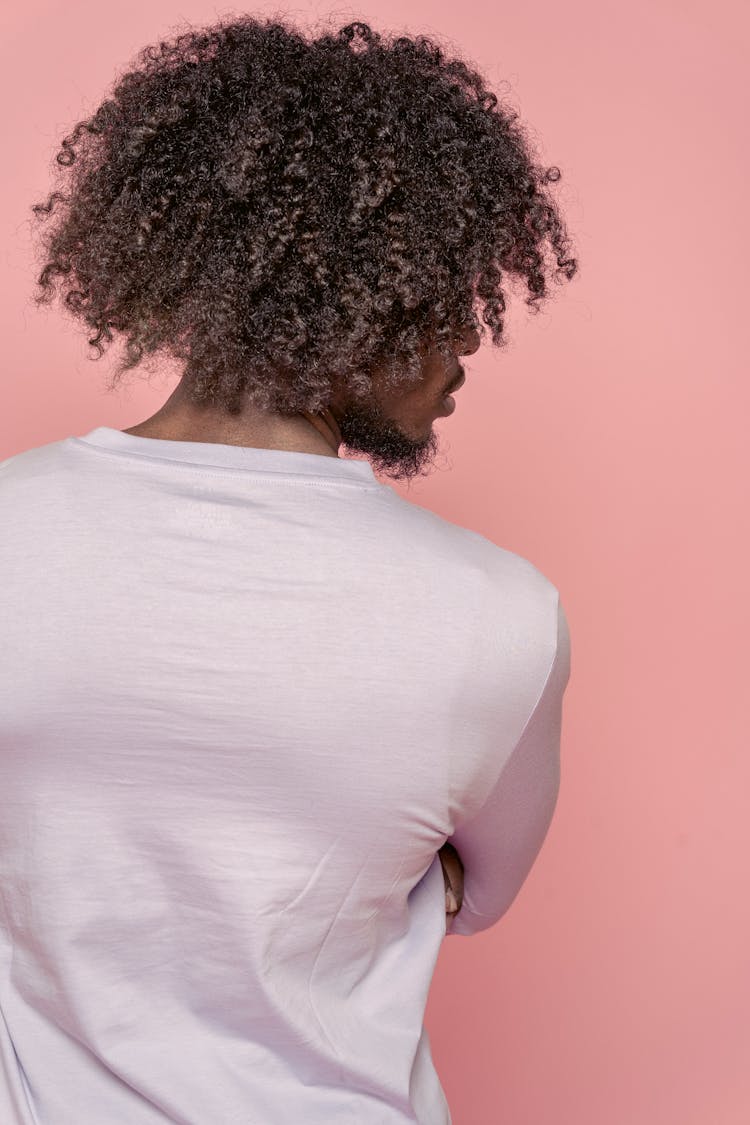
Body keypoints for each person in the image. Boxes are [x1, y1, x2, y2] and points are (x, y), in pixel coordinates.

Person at [2, 16, 577, 1125]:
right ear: (351, 299)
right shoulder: (503, 617)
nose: (466, 348)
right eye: (441, 297)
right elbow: (477, 894)